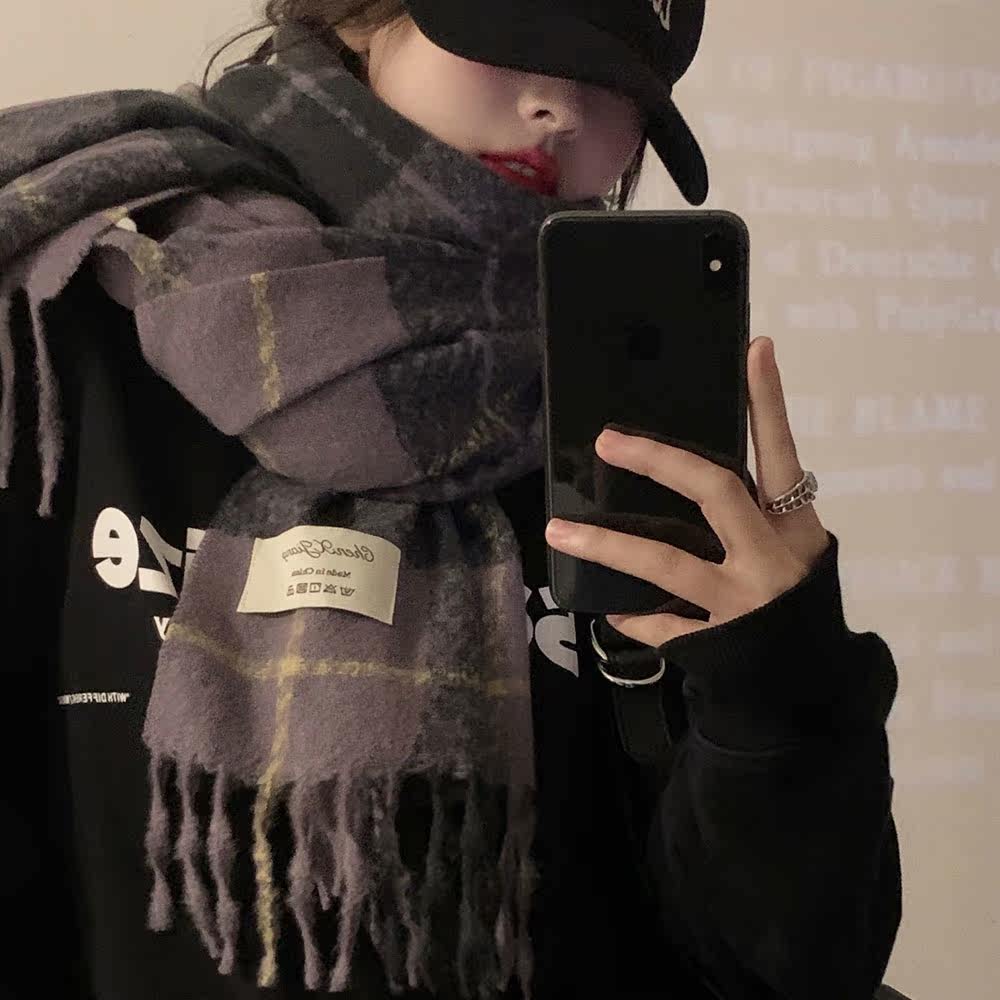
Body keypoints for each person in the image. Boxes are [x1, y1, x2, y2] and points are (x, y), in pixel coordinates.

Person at [0, 2, 902, 998]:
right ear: (365, 16)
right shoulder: (58, 316)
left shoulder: (622, 401)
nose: (561, 109)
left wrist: (778, 679)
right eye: (520, 36)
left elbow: (792, 968)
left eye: (619, 86)